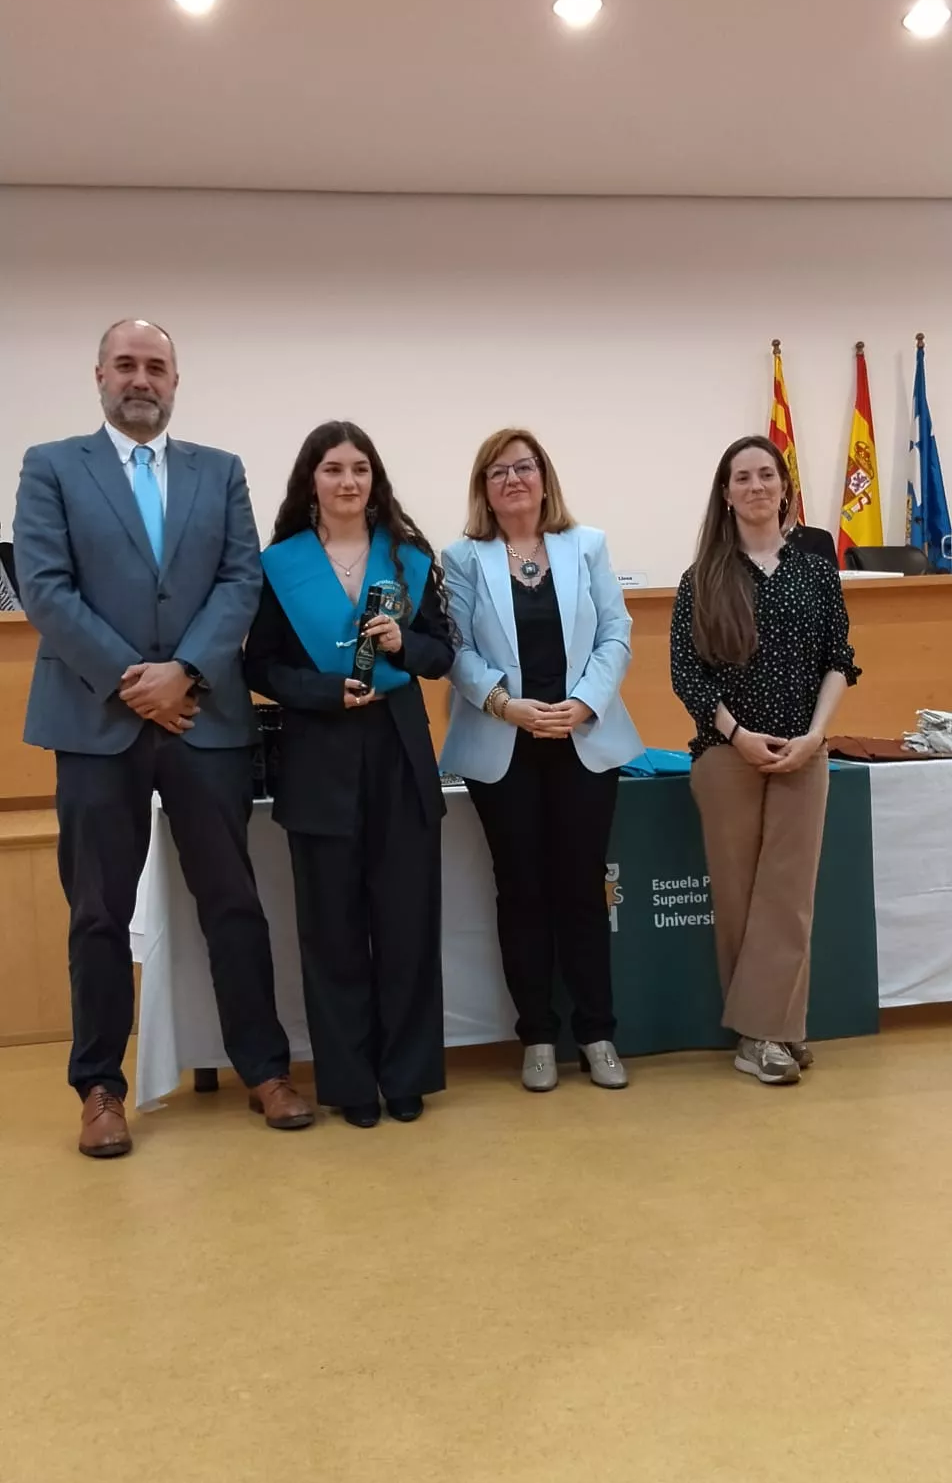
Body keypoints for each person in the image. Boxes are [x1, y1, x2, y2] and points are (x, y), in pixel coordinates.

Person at [14, 318, 313, 1158]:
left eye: (156, 366)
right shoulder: (50, 467)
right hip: (93, 721)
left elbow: (240, 577)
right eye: (125, 365)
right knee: (98, 914)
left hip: (203, 717)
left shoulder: (219, 473)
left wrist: (182, 671)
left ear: (175, 382)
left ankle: (263, 1068)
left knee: (233, 904)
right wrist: (130, 679)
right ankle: (100, 1089)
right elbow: (44, 585)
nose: (140, 379)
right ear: (99, 376)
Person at [244, 422, 454, 1129]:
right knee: (332, 932)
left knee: (406, 924)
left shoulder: (410, 559)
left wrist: (405, 642)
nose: (347, 482)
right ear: (312, 480)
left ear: (375, 479)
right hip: (318, 757)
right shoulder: (282, 565)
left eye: (360, 469)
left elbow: (441, 655)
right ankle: (351, 1083)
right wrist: (318, 692)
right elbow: (259, 666)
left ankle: (406, 1075)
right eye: (332, 469)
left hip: (398, 751)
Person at [441, 429, 640, 1094]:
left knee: (582, 889)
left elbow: (616, 633)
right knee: (521, 891)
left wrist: (583, 704)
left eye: (524, 468)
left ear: (545, 479)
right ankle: (537, 1036)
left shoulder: (587, 547)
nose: (514, 480)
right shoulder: (462, 559)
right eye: (498, 472)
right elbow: (456, 649)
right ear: (484, 490)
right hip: (506, 747)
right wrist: (505, 705)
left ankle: (597, 1031)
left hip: (582, 742)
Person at [670, 434, 859, 1087]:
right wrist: (737, 732)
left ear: (784, 488)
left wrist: (815, 735)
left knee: (789, 895)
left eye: (765, 475)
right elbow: (686, 675)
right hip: (728, 754)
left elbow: (840, 659)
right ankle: (768, 1033)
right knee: (741, 896)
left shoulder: (815, 569)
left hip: (804, 750)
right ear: (726, 494)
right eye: (741, 478)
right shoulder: (703, 578)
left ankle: (766, 1033)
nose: (755, 487)